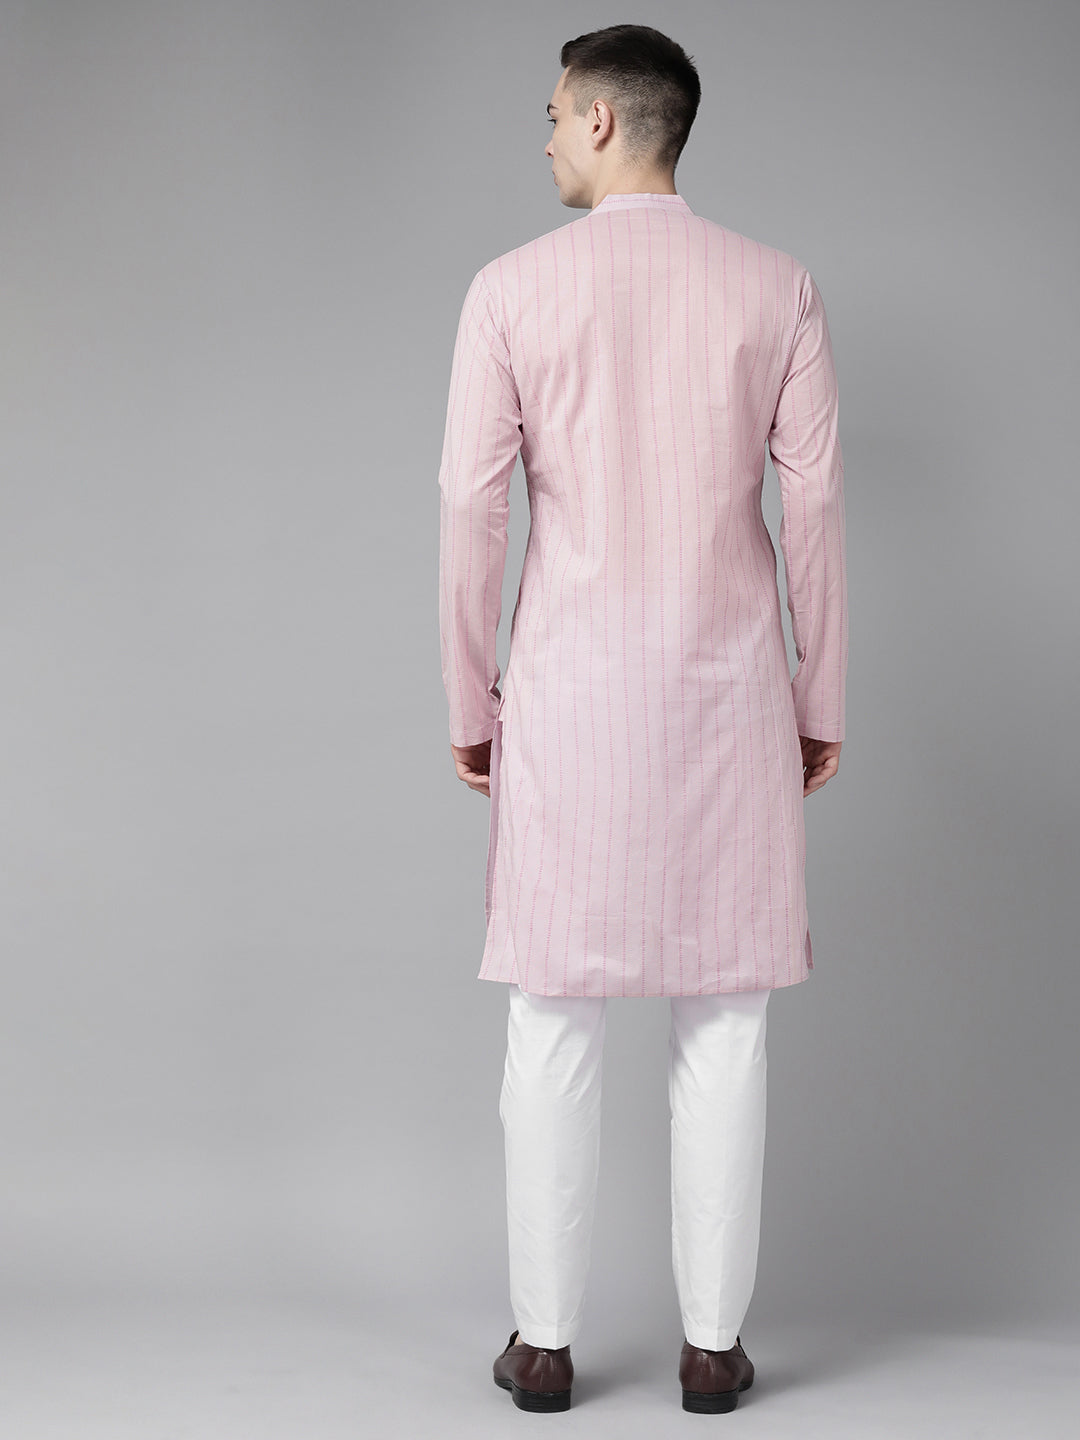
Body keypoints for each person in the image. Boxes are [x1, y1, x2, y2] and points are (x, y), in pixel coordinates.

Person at [437, 23, 848, 1415]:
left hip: (566, 701)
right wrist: (820, 696)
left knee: (552, 1016)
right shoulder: (778, 288)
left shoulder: (509, 291)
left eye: (556, 113)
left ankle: (545, 1345)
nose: (547, 134)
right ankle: (714, 1348)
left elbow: (470, 510)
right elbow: (816, 511)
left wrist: (470, 698)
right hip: (731, 698)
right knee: (724, 1023)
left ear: (605, 122)